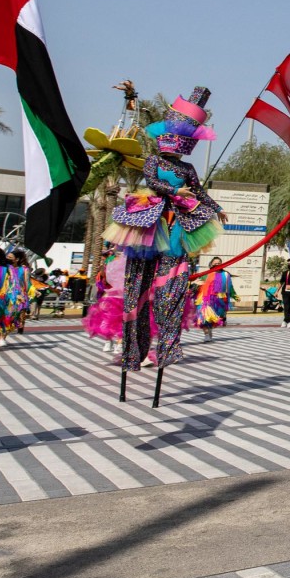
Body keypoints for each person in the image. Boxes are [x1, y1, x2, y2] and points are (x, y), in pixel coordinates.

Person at [104, 88, 226, 371]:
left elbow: (199, 192)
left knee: (172, 277)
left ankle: (168, 343)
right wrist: (174, 189)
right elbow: (153, 182)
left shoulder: (187, 168)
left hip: (175, 222)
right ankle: (134, 349)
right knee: (138, 284)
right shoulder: (154, 161)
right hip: (150, 219)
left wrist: (217, 208)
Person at [196, 258, 234, 340]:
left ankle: (209, 331)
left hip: (218, 300)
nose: (217, 264)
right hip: (204, 299)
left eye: (219, 263)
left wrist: (234, 295)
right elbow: (198, 283)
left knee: (213, 319)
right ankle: (206, 334)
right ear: (211, 264)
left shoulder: (226, 274)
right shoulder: (206, 274)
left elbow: (230, 287)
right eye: (215, 263)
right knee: (203, 317)